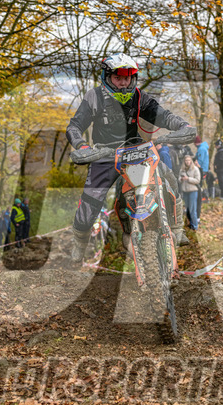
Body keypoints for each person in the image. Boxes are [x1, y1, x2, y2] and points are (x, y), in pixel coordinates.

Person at [65, 52, 192, 262]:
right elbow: (74, 126)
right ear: (107, 77)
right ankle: (80, 241)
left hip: (135, 151)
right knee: (90, 205)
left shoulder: (139, 97)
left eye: (127, 78)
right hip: (104, 154)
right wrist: (82, 146)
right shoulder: (94, 97)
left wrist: (182, 125)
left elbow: (163, 115)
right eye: (118, 78)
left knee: (167, 175)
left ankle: (177, 229)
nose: (123, 83)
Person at [179, 155, 201, 230]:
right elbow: (179, 179)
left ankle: (195, 226)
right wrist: (181, 179)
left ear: (191, 161)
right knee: (187, 209)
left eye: (189, 160)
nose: (187, 162)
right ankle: (190, 224)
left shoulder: (195, 169)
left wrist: (188, 179)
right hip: (185, 191)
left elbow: (197, 180)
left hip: (193, 191)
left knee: (192, 210)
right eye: (186, 160)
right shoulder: (182, 170)